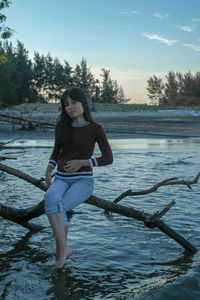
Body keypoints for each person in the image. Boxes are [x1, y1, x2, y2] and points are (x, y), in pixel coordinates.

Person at [44, 87, 113, 270]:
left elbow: (108, 158)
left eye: (73, 102)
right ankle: (64, 249)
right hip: (61, 179)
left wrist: (83, 162)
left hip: (83, 181)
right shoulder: (62, 125)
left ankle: (60, 253)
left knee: (61, 207)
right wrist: (48, 170)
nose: (70, 107)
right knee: (51, 198)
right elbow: (56, 151)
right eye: (66, 104)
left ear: (83, 103)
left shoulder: (95, 128)